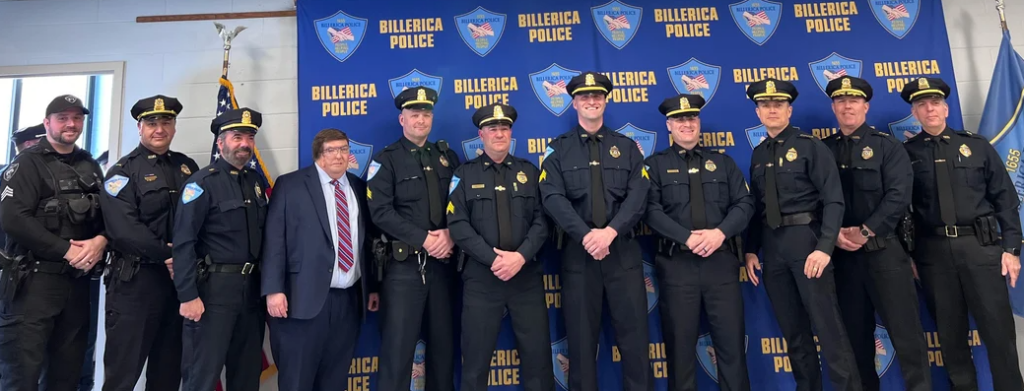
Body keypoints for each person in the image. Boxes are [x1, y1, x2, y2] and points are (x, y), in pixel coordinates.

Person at [900, 77, 1023, 390]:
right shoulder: (905, 155)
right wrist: (909, 254)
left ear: (946, 107)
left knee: (998, 334)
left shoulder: (977, 146)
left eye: (935, 103)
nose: (929, 109)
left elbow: (1006, 199)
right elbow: (900, 210)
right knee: (951, 337)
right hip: (933, 254)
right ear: (914, 112)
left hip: (980, 249)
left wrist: (1011, 249)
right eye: (922, 105)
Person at [742, 79, 861, 391]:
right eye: (765, 105)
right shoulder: (758, 154)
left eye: (778, 104)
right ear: (757, 112)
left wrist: (824, 248)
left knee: (829, 329)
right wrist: (751, 249)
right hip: (773, 247)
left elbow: (834, 199)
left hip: (807, 242)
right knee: (794, 333)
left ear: (789, 110)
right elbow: (757, 207)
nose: (772, 110)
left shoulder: (810, 147)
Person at [538, 72, 650, 391]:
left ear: (605, 101)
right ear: (574, 103)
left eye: (597, 96)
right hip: (579, 256)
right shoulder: (557, 150)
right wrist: (588, 236)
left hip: (622, 255)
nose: (591, 101)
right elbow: (552, 197)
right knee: (582, 347)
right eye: (585, 97)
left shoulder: (627, 148)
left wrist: (610, 233)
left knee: (635, 345)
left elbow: (639, 195)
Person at [820, 77, 931, 391]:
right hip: (843, 260)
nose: (847, 106)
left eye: (853, 100)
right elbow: (816, 199)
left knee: (908, 339)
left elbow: (898, 196)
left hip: (886, 256)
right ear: (834, 107)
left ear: (865, 106)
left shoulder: (887, 147)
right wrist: (835, 237)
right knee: (855, 342)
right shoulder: (822, 150)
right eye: (841, 101)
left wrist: (866, 231)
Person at [644, 94, 753, 391]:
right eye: (679, 119)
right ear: (669, 125)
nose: (687, 124)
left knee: (731, 346)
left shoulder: (723, 163)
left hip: (721, 264)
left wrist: (720, 233)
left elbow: (744, 204)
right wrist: (687, 238)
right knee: (679, 351)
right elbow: (649, 211)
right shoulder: (653, 166)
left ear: (699, 122)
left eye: (691, 118)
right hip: (677, 266)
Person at [0, 94, 108, 390]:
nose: (71, 124)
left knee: (67, 375)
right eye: (63, 118)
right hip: (33, 284)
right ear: (48, 123)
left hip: (77, 285)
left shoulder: (89, 165)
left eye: (77, 118)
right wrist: (67, 250)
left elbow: (109, 215)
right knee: (22, 375)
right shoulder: (28, 163)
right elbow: (13, 219)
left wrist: (101, 240)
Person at [262, 128, 379, 390]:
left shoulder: (359, 188)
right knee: (297, 381)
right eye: (331, 150)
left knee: (334, 380)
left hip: (348, 301)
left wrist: (371, 287)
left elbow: (366, 244)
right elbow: (274, 239)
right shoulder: (290, 185)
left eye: (343, 149)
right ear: (318, 154)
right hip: (301, 302)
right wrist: (273, 290)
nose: (339, 156)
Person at [447, 104, 553, 391]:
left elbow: (542, 221)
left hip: (525, 276)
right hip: (482, 278)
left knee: (538, 360)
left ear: (511, 132)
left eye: (504, 128)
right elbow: (457, 224)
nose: (499, 133)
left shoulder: (529, 172)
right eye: (492, 129)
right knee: (475, 363)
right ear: (481, 134)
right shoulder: (464, 174)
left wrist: (520, 257)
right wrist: (494, 259)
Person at [98, 95, 198, 391]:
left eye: (166, 122)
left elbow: (199, 219)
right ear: (139, 128)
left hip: (178, 285)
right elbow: (124, 230)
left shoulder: (187, 167)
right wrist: (170, 256)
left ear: (174, 127)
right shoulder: (122, 171)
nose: (159, 129)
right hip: (135, 284)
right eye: (151, 122)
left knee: (168, 372)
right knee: (122, 373)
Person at [367, 87, 461, 391]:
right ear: (401, 119)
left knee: (444, 351)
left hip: (443, 270)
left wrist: (450, 234)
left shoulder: (447, 157)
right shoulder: (386, 160)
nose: (421, 120)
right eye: (414, 114)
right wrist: (424, 239)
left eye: (426, 114)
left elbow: (461, 205)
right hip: (404, 269)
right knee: (398, 353)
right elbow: (379, 212)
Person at [173, 108, 267, 391]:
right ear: (220, 142)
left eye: (249, 137)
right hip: (213, 293)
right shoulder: (201, 184)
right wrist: (188, 295)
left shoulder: (255, 182)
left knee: (247, 374)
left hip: (251, 291)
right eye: (237, 137)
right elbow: (184, 242)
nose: (244, 144)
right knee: (202, 375)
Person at [0, 124, 46, 251]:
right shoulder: (18, 173)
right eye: (43, 141)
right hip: (17, 248)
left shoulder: (8, 171)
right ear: (28, 144)